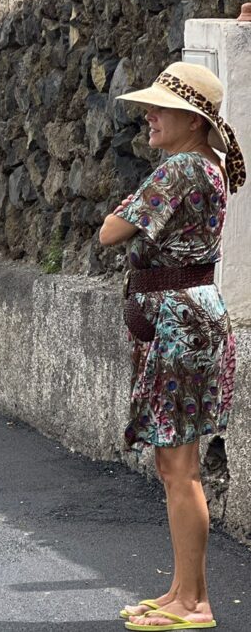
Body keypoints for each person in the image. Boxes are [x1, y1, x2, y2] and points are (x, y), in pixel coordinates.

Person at [99, 61, 244, 631]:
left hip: (182, 326)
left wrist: (119, 215)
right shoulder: (202, 166)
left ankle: (195, 604)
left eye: (159, 109)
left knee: (179, 466)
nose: (148, 117)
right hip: (191, 321)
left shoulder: (181, 167)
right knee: (174, 462)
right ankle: (184, 592)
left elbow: (112, 230)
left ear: (191, 119)